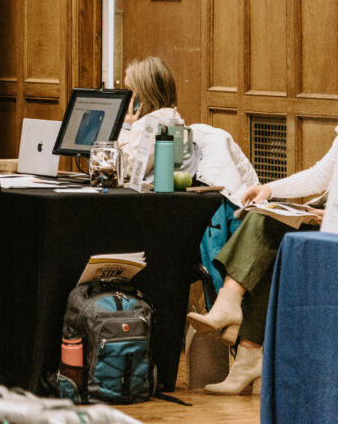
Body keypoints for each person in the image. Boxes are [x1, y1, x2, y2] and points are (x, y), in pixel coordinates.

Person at [187, 136, 330, 395]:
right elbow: (320, 175)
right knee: (262, 222)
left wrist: (328, 215)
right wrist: (269, 190)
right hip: (326, 218)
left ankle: (230, 309)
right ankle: (247, 353)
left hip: (332, 227)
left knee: (265, 227)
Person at [116, 56, 196, 180]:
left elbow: (132, 171)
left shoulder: (150, 123)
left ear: (144, 94)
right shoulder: (171, 117)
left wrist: (127, 128)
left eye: (129, 90)